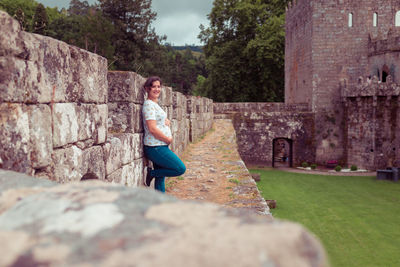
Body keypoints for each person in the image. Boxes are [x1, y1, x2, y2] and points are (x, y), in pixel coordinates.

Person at [142, 76, 186, 193]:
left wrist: (166, 121)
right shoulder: (149, 105)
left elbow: (158, 122)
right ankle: (151, 173)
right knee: (179, 169)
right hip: (155, 147)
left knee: (160, 178)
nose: (156, 89)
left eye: (158, 86)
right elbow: (152, 128)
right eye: (153, 87)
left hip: (160, 145)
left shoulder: (155, 104)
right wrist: (168, 139)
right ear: (147, 89)